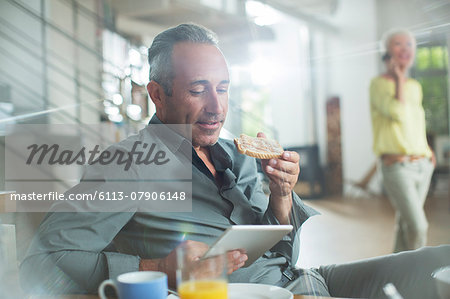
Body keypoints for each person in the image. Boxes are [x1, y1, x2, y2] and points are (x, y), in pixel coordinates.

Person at [20, 23, 448, 298]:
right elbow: (42, 259)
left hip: (312, 280)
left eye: (222, 89)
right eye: (197, 89)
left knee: (441, 263)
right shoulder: (130, 163)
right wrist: (157, 270)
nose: (216, 107)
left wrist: (281, 196)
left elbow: (284, 252)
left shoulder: (238, 158)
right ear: (157, 94)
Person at [370, 29, 436, 253]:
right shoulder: (378, 84)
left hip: (423, 164)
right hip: (396, 166)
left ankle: (396, 275)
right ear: (386, 52)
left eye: (409, 44)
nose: (405, 48)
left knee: (405, 224)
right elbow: (397, 112)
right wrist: (398, 78)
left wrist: (427, 150)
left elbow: (415, 123)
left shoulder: (415, 87)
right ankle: (418, 277)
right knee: (418, 226)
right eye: (398, 44)